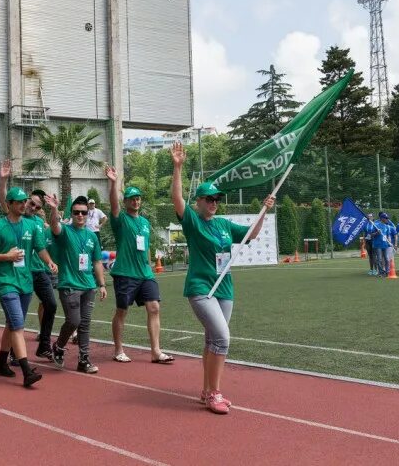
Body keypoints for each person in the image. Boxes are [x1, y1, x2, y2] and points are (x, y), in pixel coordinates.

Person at [171, 141, 274, 415]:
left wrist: (264, 210)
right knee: (222, 339)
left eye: (217, 200)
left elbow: (251, 234)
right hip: (201, 288)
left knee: (212, 340)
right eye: (210, 199)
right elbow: (177, 200)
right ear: (200, 202)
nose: (215, 203)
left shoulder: (224, 224)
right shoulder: (193, 221)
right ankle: (215, 393)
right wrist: (178, 167)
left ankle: (207, 391)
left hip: (224, 288)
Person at [0, 187, 54, 388]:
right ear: (9, 204)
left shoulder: (31, 225)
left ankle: (1, 362)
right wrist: (6, 256)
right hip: (6, 283)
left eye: (25, 201)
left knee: (11, 324)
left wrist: (50, 262)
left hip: (25, 282)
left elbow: (40, 248)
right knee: (18, 324)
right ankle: (27, 371)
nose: (23, 205)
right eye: (19, 202)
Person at [105, 164, 173, 364]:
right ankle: (118, 349)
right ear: (125, 201)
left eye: (138, 198)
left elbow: (146, 246)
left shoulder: (144, 222)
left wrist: (150, 264)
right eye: (132, 198)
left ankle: (156, 351)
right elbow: (113, 204)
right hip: (125, 273)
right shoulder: (120, 219)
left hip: (145, 273)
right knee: (122, 311)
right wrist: (113, 182)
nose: (136, 201)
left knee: (154, 307)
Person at [0, 161, 58, 360]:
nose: (31, 207)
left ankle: (44, 344)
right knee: (19, 314)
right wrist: (3, 180)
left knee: (51, 304)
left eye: (36, 206)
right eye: (29, 203)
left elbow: (47, 240)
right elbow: (3, 201)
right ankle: (15, 353)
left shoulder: (40, 223)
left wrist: (49, 261)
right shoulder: (16, 217)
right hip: (20, 271)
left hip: (39, 270)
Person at [46, 194, 107, 374]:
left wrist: (101, 284)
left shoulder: (92, 236)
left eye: (83, 212)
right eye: (76, 212)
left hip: (89, 286)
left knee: (85, 323)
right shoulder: (65, 231)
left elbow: (96, 262)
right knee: (74, 321)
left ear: (88, 214)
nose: (80, 215)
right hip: (69, 285)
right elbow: (55, 226)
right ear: (72, 214)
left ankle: (84, 359)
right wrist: (54, 209)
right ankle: (58, 346)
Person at [372, 212, 395, 276]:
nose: (387, 219)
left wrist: (390, 243)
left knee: (387, 259)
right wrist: (377, 233)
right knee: (379, 259)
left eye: (387, 218)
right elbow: (371, 235)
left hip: (385, 244)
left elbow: (388, 236)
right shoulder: (376, 225)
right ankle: (381, 272)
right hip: (378, 244)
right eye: (386, 218)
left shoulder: (387, 227)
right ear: (382, 218)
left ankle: (387, 271)